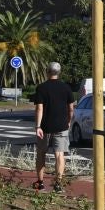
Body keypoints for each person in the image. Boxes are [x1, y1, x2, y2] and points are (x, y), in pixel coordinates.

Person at [31, 62, 76, 191]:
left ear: (47, 72)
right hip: (61, 126)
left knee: (41, 154)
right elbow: (71, 108)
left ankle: (40, 182)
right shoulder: (66, 88)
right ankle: (58, 184)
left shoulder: (41, 88)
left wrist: (38, 126)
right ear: (59, 72)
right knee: (59, 155)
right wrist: (68, 121)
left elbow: (39, 108)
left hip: (44, 127)